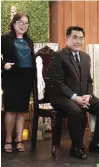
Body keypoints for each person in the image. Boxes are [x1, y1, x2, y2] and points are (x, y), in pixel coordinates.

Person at [48, 26, 99, 160]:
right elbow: (57, 83)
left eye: (81, 38)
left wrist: (88, 95)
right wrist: (75, 97)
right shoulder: (58, 56)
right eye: (75, 38)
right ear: (67, 39)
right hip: (63, 97)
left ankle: (97, 143)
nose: (78, 41)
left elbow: (89, 80)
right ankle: (76, 147)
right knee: (76, 111)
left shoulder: (85, 57)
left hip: (84, 95)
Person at [1, 13, 36, 153]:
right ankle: (8, 140)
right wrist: (3, 65)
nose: (23, 25)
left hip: (26, 78)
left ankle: (19, 139)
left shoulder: (29, 41)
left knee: (21, 111)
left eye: (26, 23)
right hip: (11, 77)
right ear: (14, 23)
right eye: (21, 22)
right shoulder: (4, 39)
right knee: (10, 110)